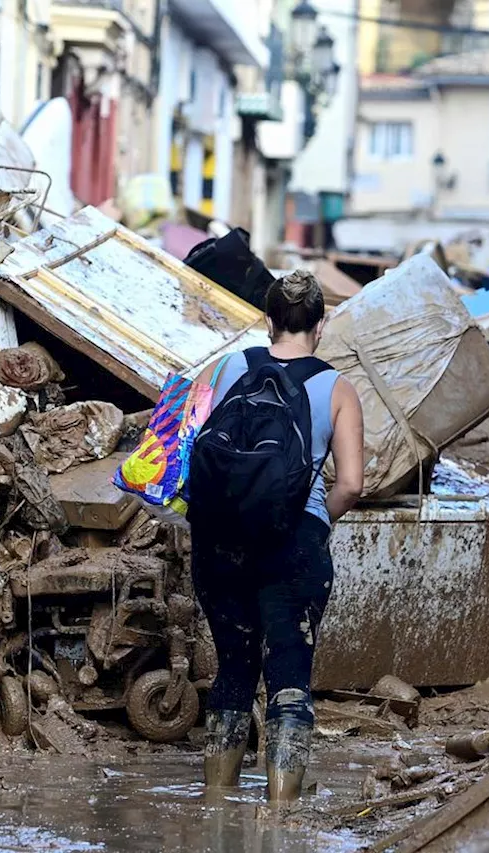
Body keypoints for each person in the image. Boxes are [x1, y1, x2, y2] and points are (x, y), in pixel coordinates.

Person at [187, 270, 364, 803]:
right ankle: (281, 816)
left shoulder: (227, 367)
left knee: (233, 673)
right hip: (293, 546)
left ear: (268, 320)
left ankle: (216, 807)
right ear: (321, 323)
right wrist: (313, 521)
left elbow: (187, 442)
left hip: (218, 542)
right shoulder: (337, 388)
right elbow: (352, 484)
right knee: (289, 674)